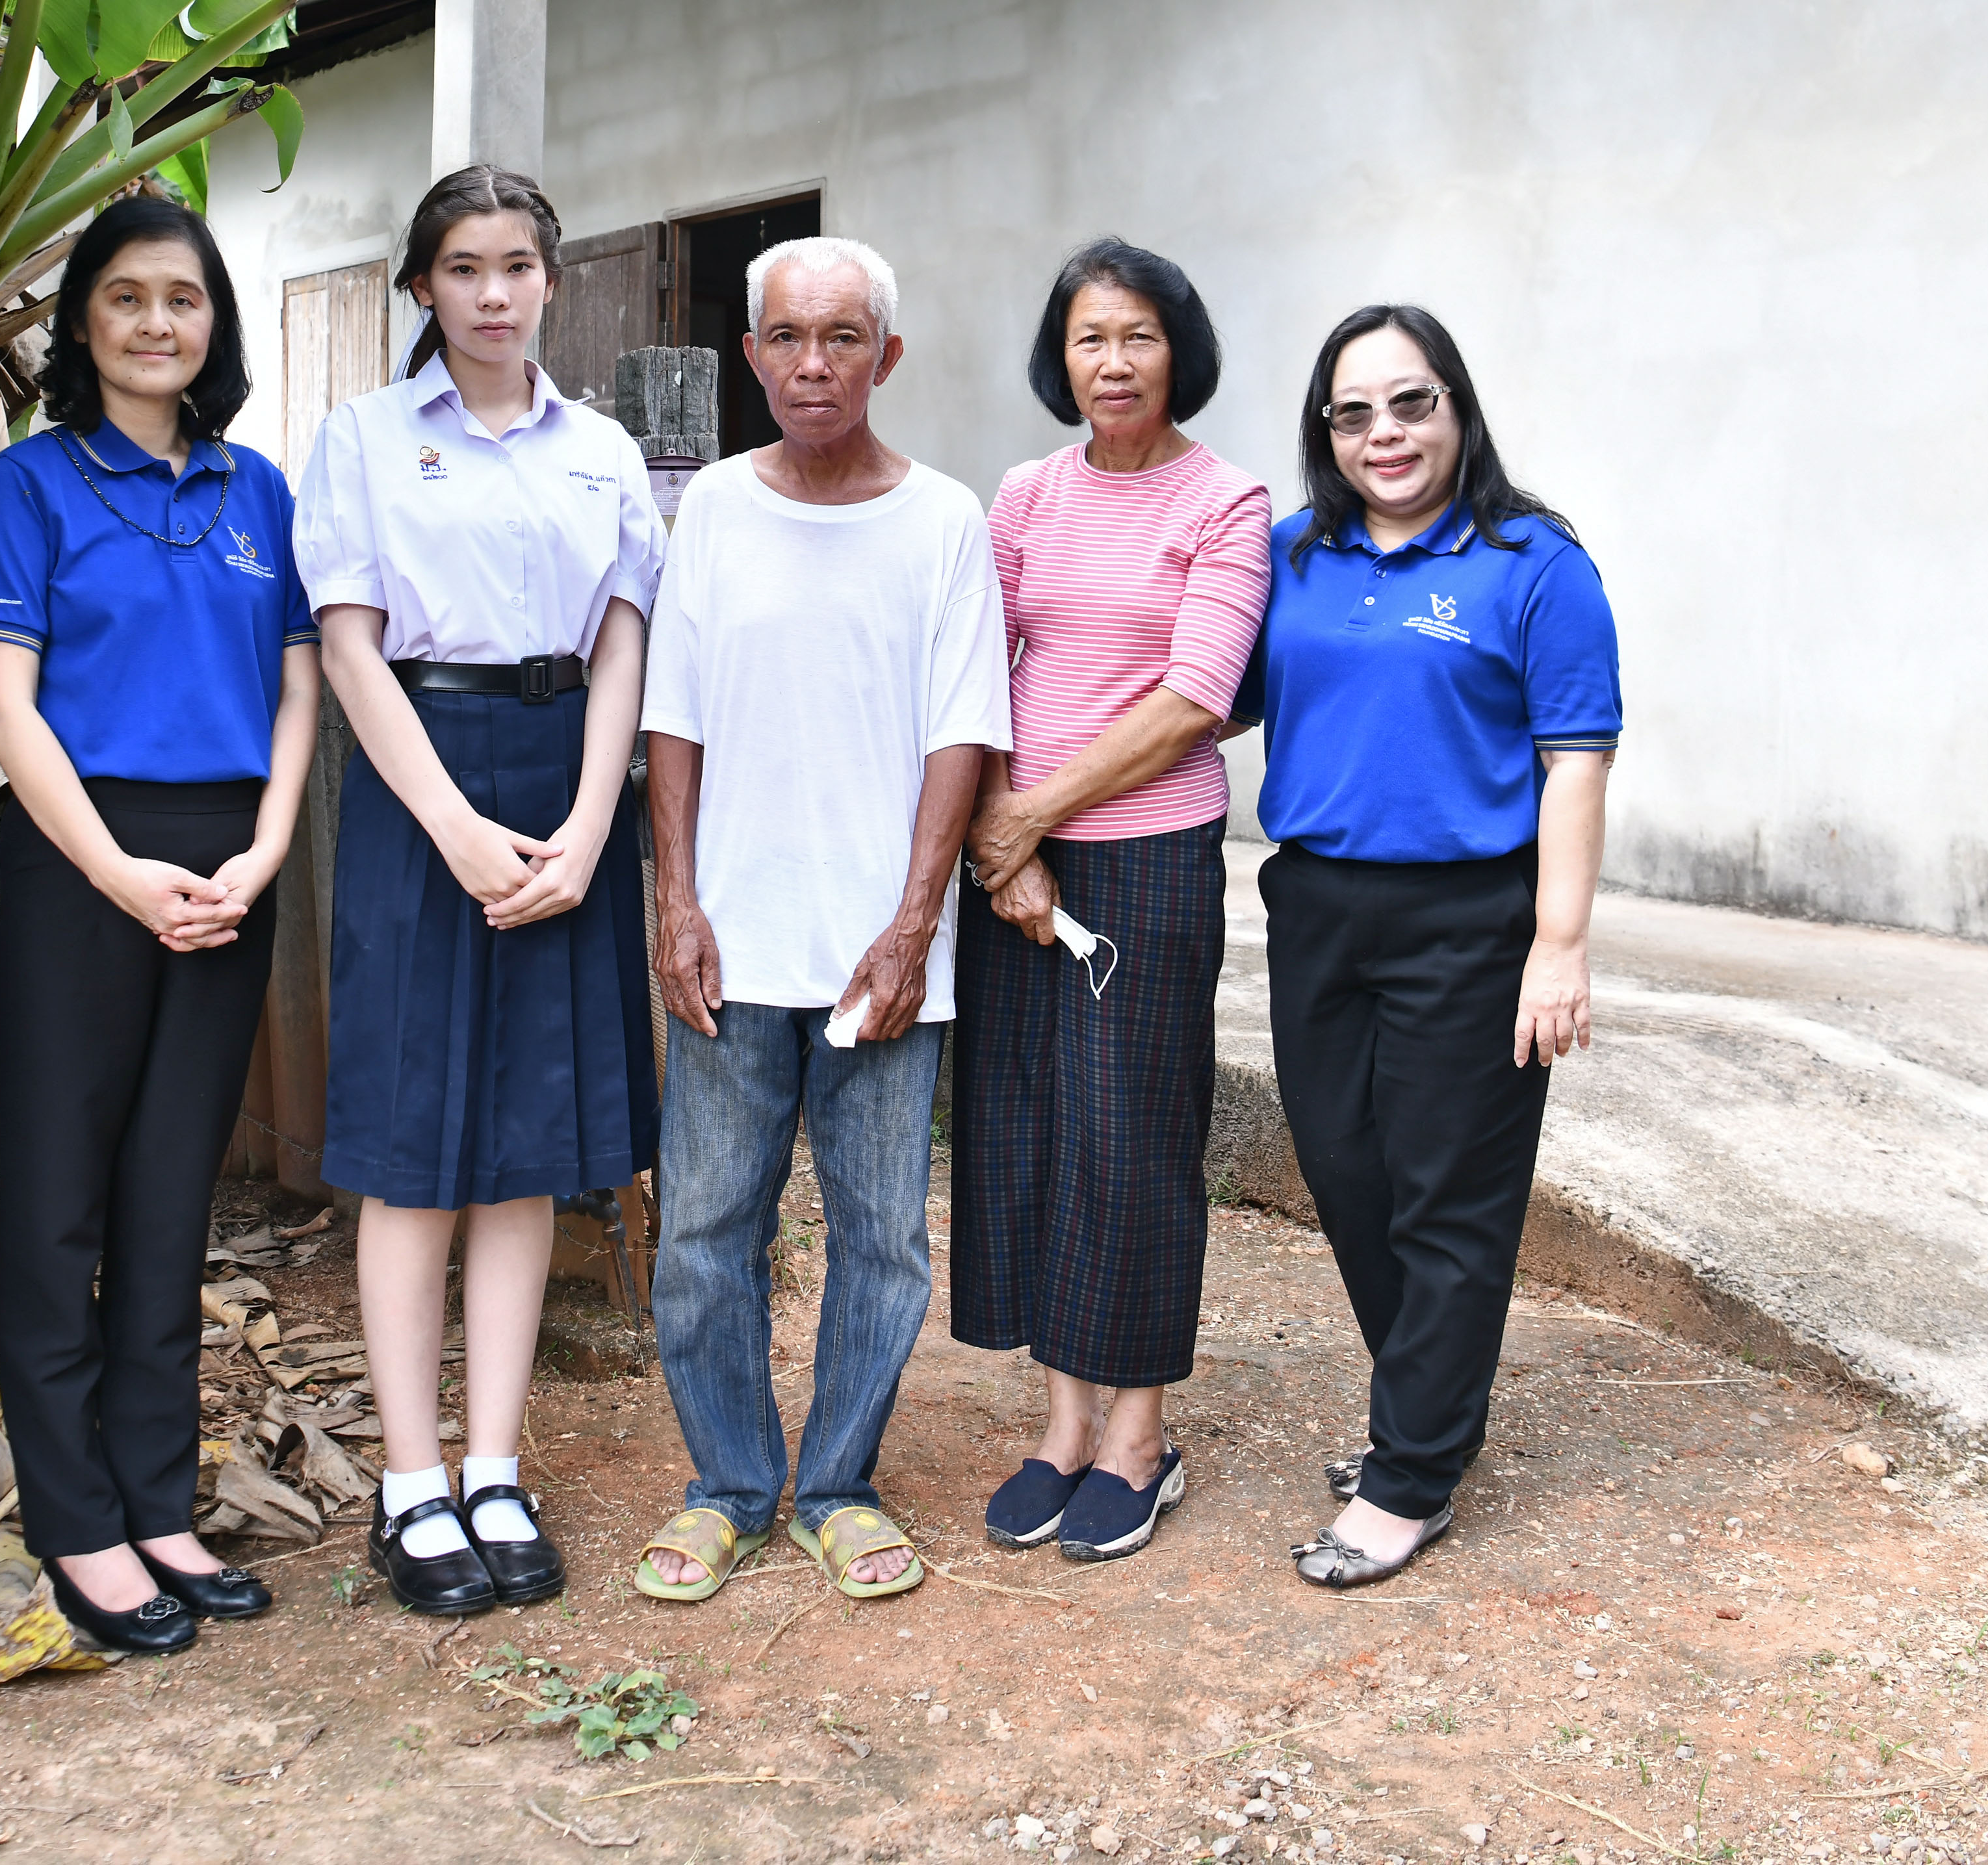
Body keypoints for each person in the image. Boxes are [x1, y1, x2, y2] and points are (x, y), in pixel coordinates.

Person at [290, 165, 662, 1618]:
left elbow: (623, 642)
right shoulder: (366, 438)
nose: (493, 293)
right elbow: (349, 645)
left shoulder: (605, 451)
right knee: (413, 1145)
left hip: (568, 778)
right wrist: (448, 825)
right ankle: (410, 1481)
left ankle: (495, 1468)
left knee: (526, 1142)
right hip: (419, 779)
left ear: (550, 280)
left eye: (516, 266)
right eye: (463, 268)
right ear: (424, 286)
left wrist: (590, 826)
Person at [0, 195, 318, 1660]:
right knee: (61, 1193)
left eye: (183, 297)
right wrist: (115, 870)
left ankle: (158, 1500)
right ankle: (77, 1520)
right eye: (125, 296)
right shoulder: (32, 484)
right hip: (80, 857)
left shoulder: (256, 490)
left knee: (174, 1191)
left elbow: (298, 689)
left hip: (232, 864)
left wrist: (266, 849)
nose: (157, 322)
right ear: (82, 322)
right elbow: (2, 703)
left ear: (212, 322)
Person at [635, 237, 1008, 1610]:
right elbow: (673, 716)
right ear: (751, 356)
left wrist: (914, 925)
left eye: (842, 338)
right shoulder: (714, 512)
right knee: (703, 1233)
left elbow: (961, 733)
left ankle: (840, 1485)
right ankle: (732, 1485)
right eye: (786, 338)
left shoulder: (945, 521)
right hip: (731, 943)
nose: (812, 364)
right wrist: (675, 898)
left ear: (885, 356)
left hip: (879, 959)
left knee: (883, 1242)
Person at [1254, 304, 1618, 1591]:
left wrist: (1558, 942)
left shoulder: (1533, 562)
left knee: (1448, 1198)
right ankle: (1430, 1418)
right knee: (1347, 1175)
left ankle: (1409, 1473)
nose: (1385, 434)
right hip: (1315, 908)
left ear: (1457, 407)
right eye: (1353, 413)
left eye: (1412, 403)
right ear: (1326, 432)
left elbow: (1577, 760)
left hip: (1471, 920)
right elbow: (1197, 690)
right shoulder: (1291, 555)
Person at [954, 240, 1271, 1565]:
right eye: (1091, 338)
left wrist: (1031, 814)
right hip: (1014, 856)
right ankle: (1063, 1424)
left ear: (1178, 349)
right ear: (1062, 357)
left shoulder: (1227, 500)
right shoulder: (1027, 492)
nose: (1115, 361)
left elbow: (1197, 697)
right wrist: (1002, 836)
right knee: (1026, 1127)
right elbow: (972, 663)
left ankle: (1140, 1436)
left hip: (1146, 857)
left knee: (1131, 1138)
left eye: (1139, 335)